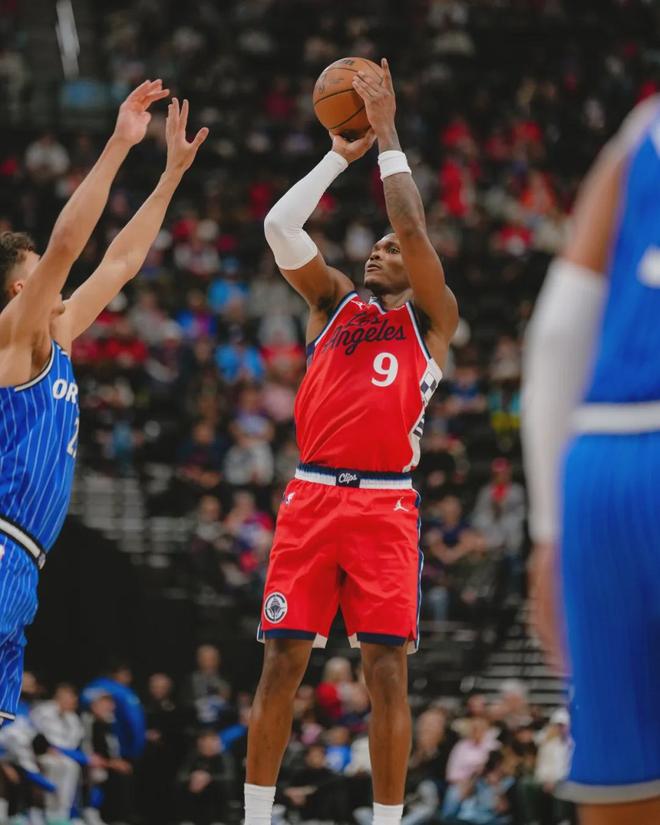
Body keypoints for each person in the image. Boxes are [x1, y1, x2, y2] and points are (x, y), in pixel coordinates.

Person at [244, 59, 459, 825]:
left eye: (390, 250)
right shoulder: (331, 301)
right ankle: (255, 817)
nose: (378, 251)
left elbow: (412, 226)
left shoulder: (432, 319)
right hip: (310, 494)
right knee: (281, 664)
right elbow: (278, 228)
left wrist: (388, 131)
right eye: (373, 246)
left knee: (386, 673)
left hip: (384, 506)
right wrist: (340, 156)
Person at [0, 86, 208, 727]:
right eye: (42, 270)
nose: (57, 274)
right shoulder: (14, 336)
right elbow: (68, 243)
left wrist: (170, 176)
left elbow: (120, 262)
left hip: (24, 560)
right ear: (21, 287)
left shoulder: (56, 336)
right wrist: (120, 143)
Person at [523, 96, 660, 824]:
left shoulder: (644, 130)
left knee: (623, 792)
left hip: (603, 470)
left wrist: (550, 534)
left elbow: (557, 332)